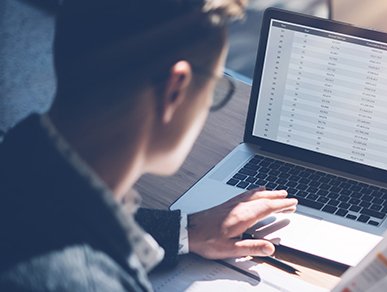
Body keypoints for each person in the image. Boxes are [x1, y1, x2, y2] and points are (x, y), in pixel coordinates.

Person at [0, 0, 298, 290]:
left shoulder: (14, 157)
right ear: (175, 90)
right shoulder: (87, 281)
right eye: (214, 88)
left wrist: (186, 231)